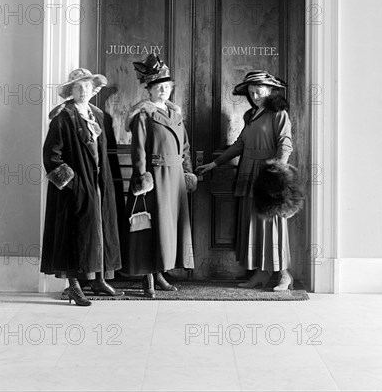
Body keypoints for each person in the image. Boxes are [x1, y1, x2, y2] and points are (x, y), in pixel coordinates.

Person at [197, 70, 294, 291]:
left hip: (268, 174)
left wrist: (276, 174)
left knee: (273, 225)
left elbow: (285, 144)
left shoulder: (279, 113)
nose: (255, 93)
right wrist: (214, 163)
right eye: (251, 90)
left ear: (269, 90)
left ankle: (284, 275)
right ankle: (260, 273)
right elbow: (240, 144)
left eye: (259, 88)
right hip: (248, 173)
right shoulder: (251, 115)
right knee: (254, 224)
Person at [41, 68, 123, 305]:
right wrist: (73, 184)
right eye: (79, 87)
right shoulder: (63, 117)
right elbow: (51, 156)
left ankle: (99, 280)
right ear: (71, 91)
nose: (84, 90)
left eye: (88, 86)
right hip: (74, 189)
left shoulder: (96, 115)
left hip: (97, 183)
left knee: (99, 229)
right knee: (73, 235)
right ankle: (74, 286)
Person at [120, 55, 197, 298]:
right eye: (158, 88)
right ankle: (148, 278)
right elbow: (139, 149)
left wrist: (188, 171)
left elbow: (184, 147)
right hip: (155, 177)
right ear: (149, 90)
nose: (163, 91)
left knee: (170, 227)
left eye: (167, 87)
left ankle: (161, 272)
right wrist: (142, 177)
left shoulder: (176, 113)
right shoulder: (143, 114)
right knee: (152, 227)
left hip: (175, 179)